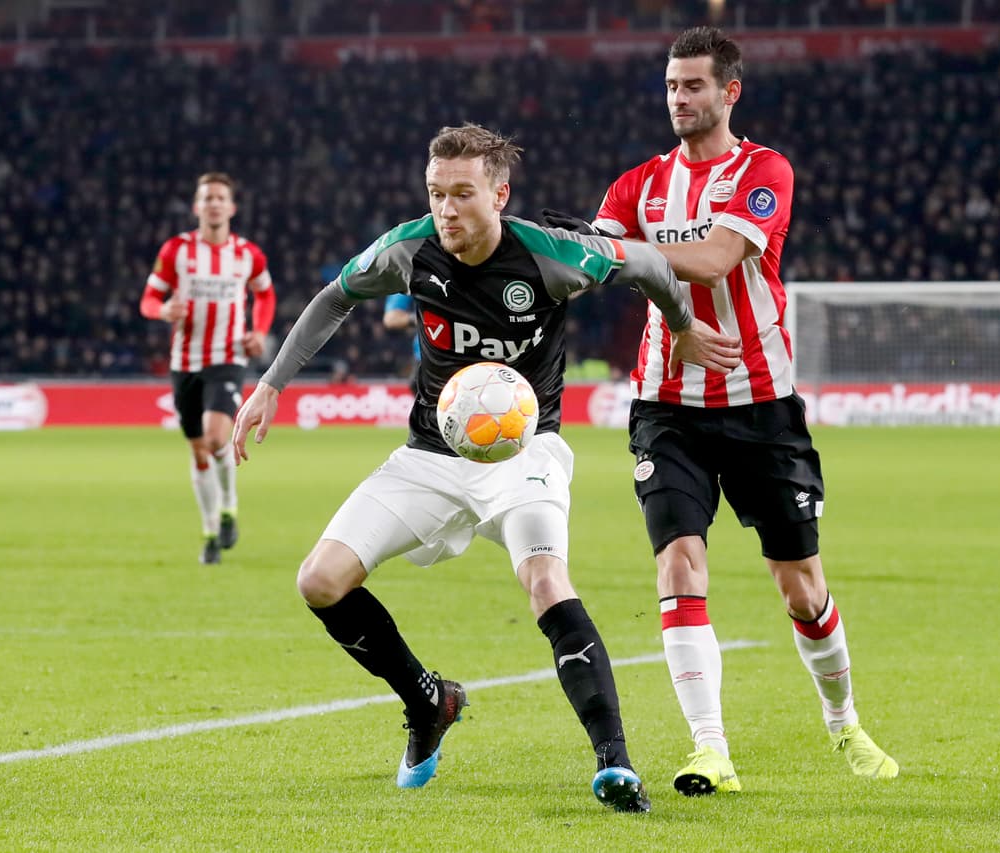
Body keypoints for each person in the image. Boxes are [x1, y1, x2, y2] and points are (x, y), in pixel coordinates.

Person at [232, 123, 740, 812]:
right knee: (319, 581)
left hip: (525, 455)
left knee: (545, 580)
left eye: (463, 194)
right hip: (429, 456)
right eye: (436, 193)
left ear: (499, 195)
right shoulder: (407, 248)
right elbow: (334, 297)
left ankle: (614, 763)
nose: (446, 209)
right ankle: (428, 700)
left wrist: (680, 326)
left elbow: (648, 264)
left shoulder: (552, 255)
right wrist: (271, 384)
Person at [542, 26, 899, 793]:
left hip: (760, 404)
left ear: (730, 91)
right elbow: (591, 265)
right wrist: (551, 249)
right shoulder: (636, 185)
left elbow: (711, 259)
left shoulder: (764, 170)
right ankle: (711, 749)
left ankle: (844, 722)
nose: (679, 98)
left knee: (801, 585)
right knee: (679, 562)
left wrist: (616, 253)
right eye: (672, 85)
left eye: (694, 85)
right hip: (666, 405)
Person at [140, 172, 276, 565]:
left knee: (216, 438)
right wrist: (163, 310)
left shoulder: (248, 254)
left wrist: (259, 332)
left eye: (220, 198)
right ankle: (210, 531)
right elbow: (148, 299)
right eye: (207, 198)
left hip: (227, 357)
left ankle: (229, 504)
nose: (214, 204)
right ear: (196, 207)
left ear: (231, 208)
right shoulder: (176, 251)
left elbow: (265, 295)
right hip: (184, 363)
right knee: (199, 451)